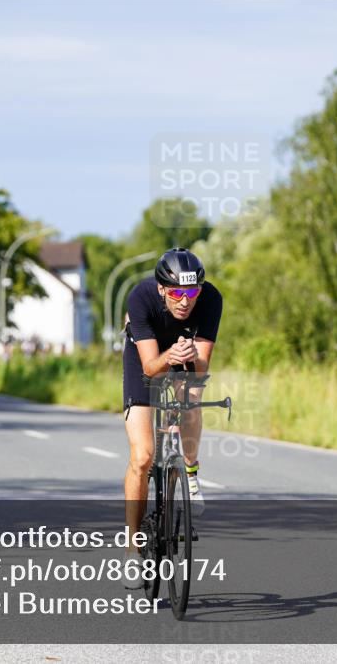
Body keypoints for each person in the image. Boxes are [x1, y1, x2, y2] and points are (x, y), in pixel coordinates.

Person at [120, 247, 222, 589]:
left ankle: (190, 471)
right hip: (145, 357)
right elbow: (150, 367)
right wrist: (170, 357)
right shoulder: (141, 297)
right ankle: (133, 550)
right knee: (143, 456)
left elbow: (203, 365)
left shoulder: (210, 300)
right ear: (162, 288)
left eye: (192, 292)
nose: (185, 301)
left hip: (183, 353)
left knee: (192, 397)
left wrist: (191, 359)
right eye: (177, 292)